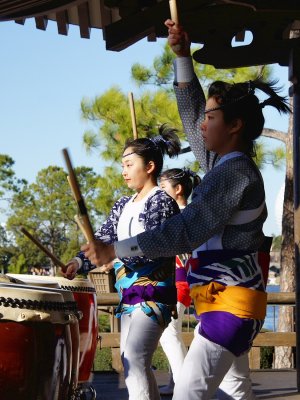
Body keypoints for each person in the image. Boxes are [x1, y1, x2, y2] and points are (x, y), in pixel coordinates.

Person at [80, 20, 291, 400]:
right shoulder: (223, 165)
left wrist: (115, 250)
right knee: (234, 390)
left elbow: (184, 232)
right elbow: (193, 113)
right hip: (225, 301)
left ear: (235, 125)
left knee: (189, 393)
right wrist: (182, 60)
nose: (201, 123)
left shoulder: (235, 172)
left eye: (212, 117)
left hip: (232, 304)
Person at [63, 124, 181, 400]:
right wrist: (78, 263)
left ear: (150, 166)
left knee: (135, 358)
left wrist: (112, 251)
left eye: (129, 164)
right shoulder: (122, 204)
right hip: (129, 294)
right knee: (135, 361)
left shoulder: (161, 201)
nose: (124, 170)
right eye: (123, 165)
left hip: (155, 293)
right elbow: (103, 240)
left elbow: (153, 244)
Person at [158, 168, 201, 396]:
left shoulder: (183, 217)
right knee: (170, 332)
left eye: (163, 188)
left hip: (180, 281)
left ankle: (182, 385)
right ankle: (179, 381)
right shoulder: (182, 217)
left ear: (178, 189)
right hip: (176, 280)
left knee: (168, 332)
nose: (159, 192)